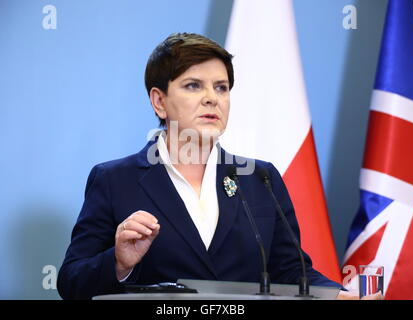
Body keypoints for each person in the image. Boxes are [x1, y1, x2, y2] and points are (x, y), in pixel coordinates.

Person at [57, 32, 373, 300]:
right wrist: (118, 262)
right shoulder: (115, 180)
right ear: (159, 101)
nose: (212, 98)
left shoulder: (261, 178)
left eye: (221, 87)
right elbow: (71, 283)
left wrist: (338, 296)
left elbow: (290, 271)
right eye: (194, 85)